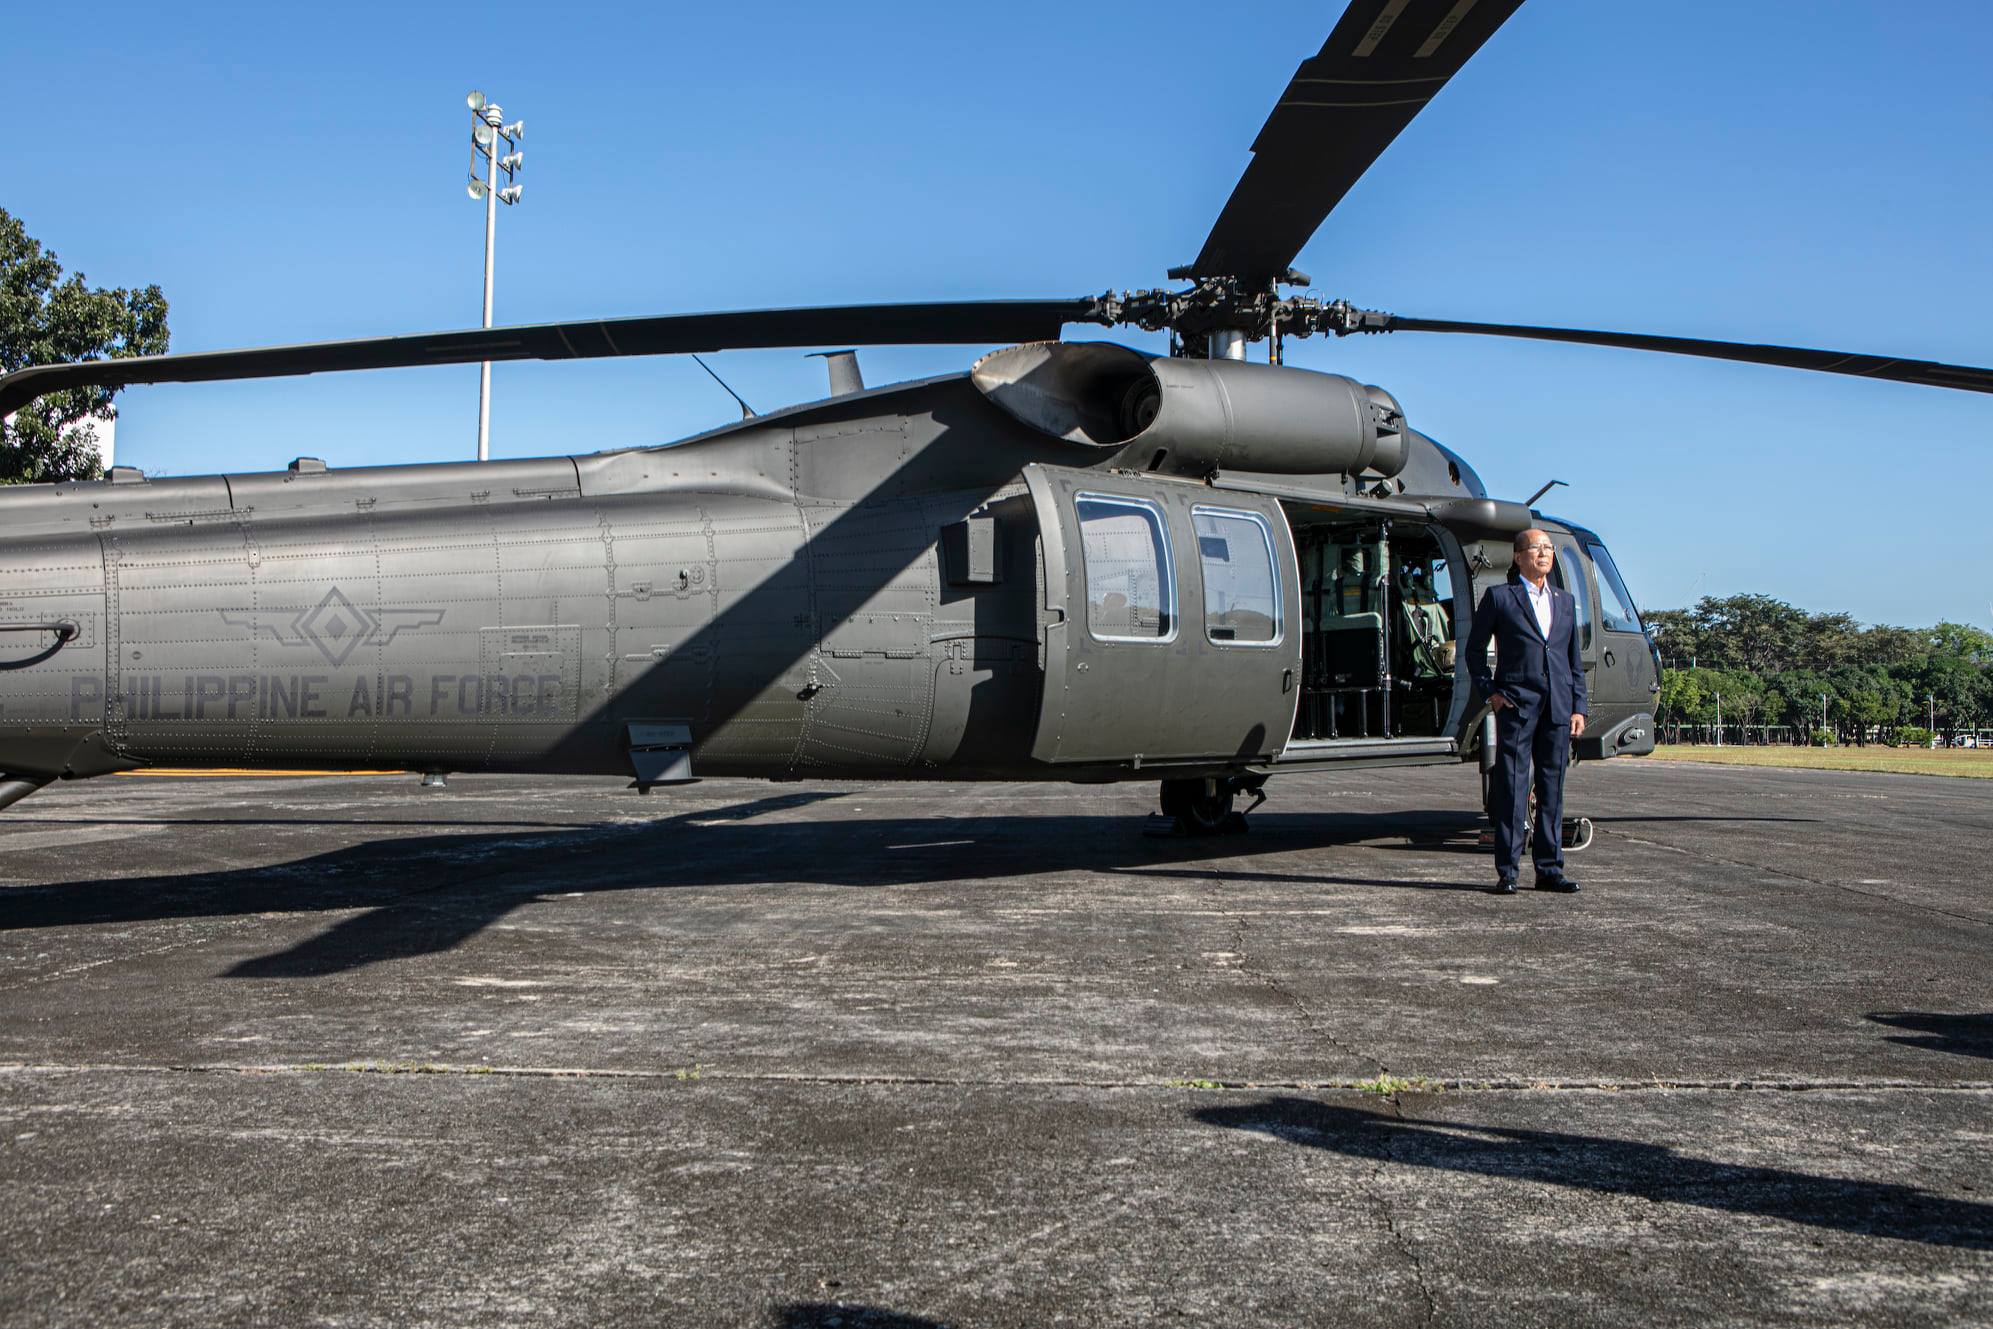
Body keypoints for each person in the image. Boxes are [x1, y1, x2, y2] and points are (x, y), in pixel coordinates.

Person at [1464, 529, 1587, 895]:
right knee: (1513, 789)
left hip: (1558, 708)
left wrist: (1578, 705)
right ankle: (1508, 870)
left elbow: (1572, 661)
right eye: (1537, 548)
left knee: (1551, 790)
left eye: (1548, 548)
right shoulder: (1500, 598)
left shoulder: (1565, 602)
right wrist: (1492, 694)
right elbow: (1473, 652)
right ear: (1518, 556)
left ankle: (1549, 869)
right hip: (1516, 706)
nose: (1545, 553)